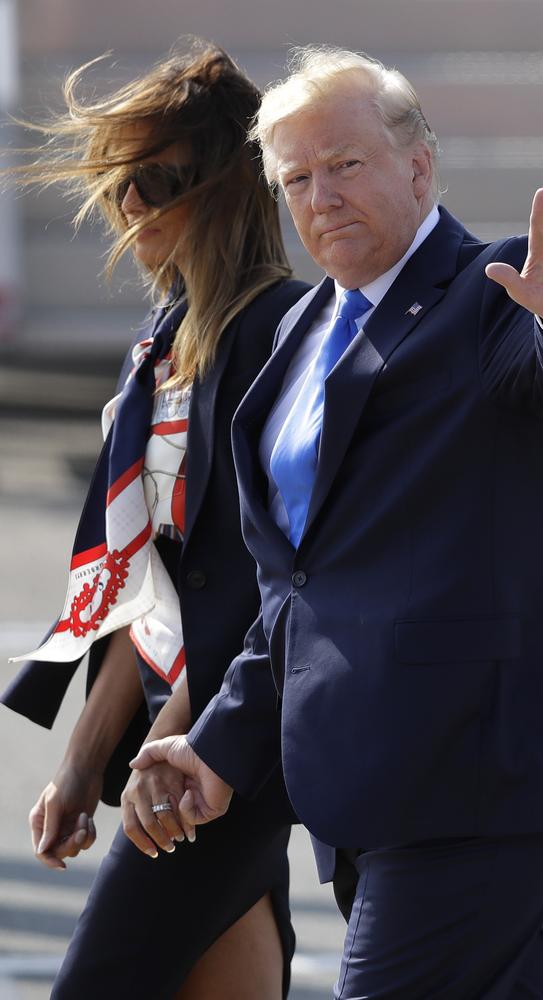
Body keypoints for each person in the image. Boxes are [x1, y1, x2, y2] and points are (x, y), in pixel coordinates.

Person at [131, 46, 543, 998]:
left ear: (419, 166)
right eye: (297, 177)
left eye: (346, 164)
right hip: (363, 783)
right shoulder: (297, 334)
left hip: (481, 772)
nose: (320, 195)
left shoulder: (490, 290)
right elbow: (298, 593)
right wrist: (218, 744)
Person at [1, 40, 310, 1000]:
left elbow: (270, 585)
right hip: (185, 751)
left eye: (148, 181)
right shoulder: (161, 343)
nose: (123, 207)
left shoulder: (283, 335)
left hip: (225, 744)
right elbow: (147, 579)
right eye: (117, 183)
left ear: (221, 187)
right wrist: (82, 759)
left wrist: (173, 745)